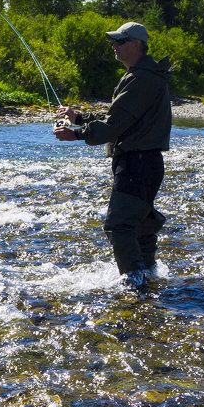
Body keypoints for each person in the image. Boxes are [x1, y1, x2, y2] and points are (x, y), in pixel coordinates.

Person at [53, 21, 171, 288]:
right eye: (114, 42)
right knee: (140, 225)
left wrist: (78, 134)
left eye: (121, 41)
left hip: (137, 163)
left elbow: (114, 125)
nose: (114, 46)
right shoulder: (143, 75)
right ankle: (148, 278)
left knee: (118, 225)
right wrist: (79, 118)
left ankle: (133, 285)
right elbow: (117, 118)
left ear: (138, 45)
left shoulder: (141, 79)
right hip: (143, 163)